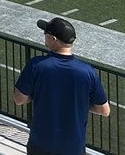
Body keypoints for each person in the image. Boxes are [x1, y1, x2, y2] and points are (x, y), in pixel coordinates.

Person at [14, 16, 109, 155]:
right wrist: (77, 102)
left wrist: (41, 95)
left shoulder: (37, 65)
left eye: (45, 33)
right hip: (73, 148)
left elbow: (19, 99)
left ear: (53, 39)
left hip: (41, 145)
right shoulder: (87, 71)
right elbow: (104, 110)